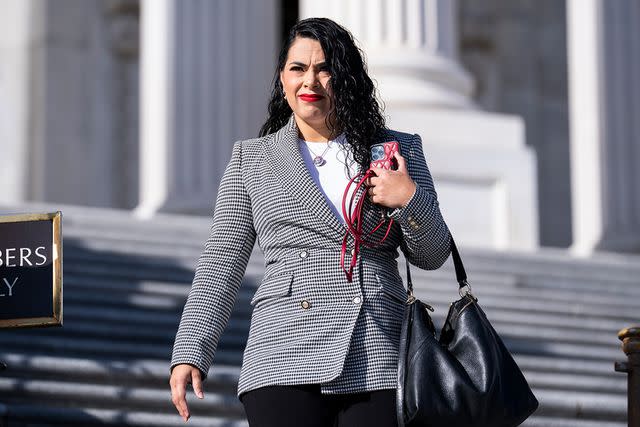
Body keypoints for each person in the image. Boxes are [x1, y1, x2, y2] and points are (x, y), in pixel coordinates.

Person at [169, 17, 452, 427]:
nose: (311, 82)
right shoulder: (253, 159)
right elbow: (221, 262)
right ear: (282, 78)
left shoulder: (396, 150)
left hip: (378, 348)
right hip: (282, 350)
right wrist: (190, 351)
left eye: (325, 69)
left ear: (347, 78)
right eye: (298, 68)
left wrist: (408, 198)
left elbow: (433, 254)